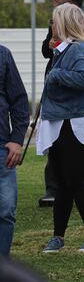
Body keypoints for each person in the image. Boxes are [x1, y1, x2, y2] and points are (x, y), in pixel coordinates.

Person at [37, 3, 84, 253]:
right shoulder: (64, 50)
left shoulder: (78, 49)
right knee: (63, 183)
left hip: (75, 122)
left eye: (54, 22)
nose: (51, 26)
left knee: (76, 181)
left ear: (65, 24)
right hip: (61, 120)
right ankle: (58, 236)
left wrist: (55, 76)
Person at [0, 44, 28, 257]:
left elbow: (19, 100)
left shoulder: (3, 55)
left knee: (6, 211)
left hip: (2, 148)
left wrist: (17, 140)